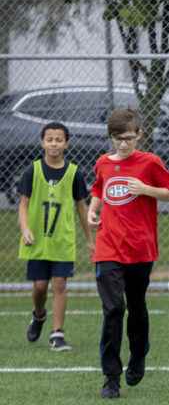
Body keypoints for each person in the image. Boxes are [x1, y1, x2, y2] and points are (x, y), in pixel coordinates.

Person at [88, 109, 169, 399]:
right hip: (108, 247)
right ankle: (111, 376)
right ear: (111, 137)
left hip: (140, 248)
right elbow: (100, 189)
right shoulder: (103, 163)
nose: (123, 144)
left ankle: (138, 354)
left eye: (128, 138)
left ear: (139, 134)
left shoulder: (150, 162)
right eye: (117, 139)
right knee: (114, 309)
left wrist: (145, 189)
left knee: (136, 306)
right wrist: (93, 210)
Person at [18, 121, 91, 351]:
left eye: (59, 139)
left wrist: (90, 239)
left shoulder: (74, 173)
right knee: (40, 287)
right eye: (49, 139)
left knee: (60, 284)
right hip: (38, 241)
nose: (54, 143)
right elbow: (23, 204)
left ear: (66, 143)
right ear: (42, 142)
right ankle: (39, 315)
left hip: (62, 241)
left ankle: (57, 333)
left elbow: (81, 207)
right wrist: (25, 228)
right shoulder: (33, 170)